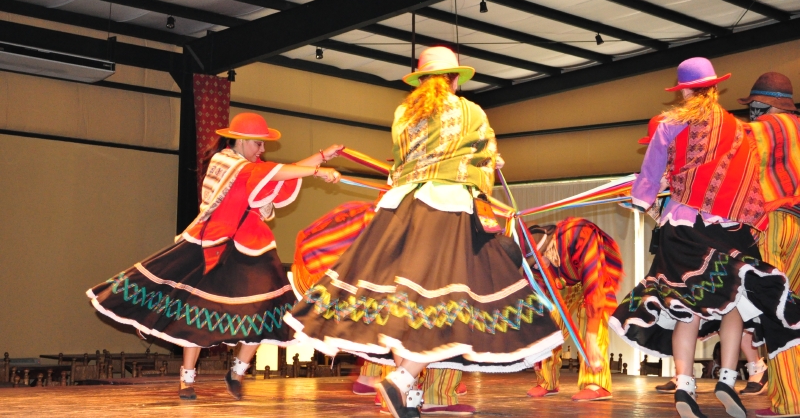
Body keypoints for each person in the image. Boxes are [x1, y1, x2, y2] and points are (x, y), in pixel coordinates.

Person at [285, 46, 564, 418]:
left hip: (401, 207)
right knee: (451, 302)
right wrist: (491, 162)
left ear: (421, 81)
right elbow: (484, 159)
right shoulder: (470, 111)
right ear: (454, 79)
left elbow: (400, 163)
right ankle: (401, 380)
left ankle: (408, 392)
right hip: (448, 208)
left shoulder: (404, 113)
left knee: (410, 304)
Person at [87, 112, 343, 400]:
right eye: (258, 143)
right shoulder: (227, 163)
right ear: (241, 140)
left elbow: (283, 171)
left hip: (253, 243)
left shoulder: (255, 167)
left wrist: (323, 156)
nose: (262, 149)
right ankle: (186, 378)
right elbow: (278, 172)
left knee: (267, 310)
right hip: (216, 241)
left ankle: (237, 372)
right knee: (197, 309)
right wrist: (317, 170)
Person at [609, 58, 800, 418]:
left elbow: (649, 179)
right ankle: (728, 379)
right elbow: (747, 180)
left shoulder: (669, 125)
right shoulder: (739, 129)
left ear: (682, 91)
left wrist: (641, 199)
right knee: (735, 303)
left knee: (686, 307)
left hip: (685, 227)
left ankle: (685, 385)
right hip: (732, 228)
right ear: (715, 87)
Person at [291, 200, 473, 415]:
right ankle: (410, 387)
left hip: (405, 230)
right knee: (443, 318)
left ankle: (407, 397)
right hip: (431, 225)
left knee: (405, 323)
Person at [738, 72, 800, 418]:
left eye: (754, 106)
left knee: (779, 311)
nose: (752, 112)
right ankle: (786, 395)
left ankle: (789, 401)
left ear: (763, 105)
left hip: (772, 223)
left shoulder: (758, 131)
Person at [525, 219, 623, 402]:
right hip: (565, 281)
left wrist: (591, 339)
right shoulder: (539, 266)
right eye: (532, 264)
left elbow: (594, 289)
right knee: (549, 321)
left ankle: (596, 383)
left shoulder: (580, 236)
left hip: (593, 275)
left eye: (536, 261)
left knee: (589, 319)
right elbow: (539, 297)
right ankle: (547, 381)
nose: (536, 267)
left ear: (547, 248)